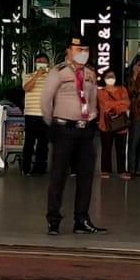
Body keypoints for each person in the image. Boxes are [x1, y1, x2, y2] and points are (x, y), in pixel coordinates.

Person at [40, 37, 105, 235]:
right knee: (58, 176)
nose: (82, 52)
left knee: (86, 176)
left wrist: (91, 117)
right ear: (68, 51)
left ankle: (82, 219)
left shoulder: (90, 73)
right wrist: (53, 123)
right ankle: (53, 220)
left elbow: (93, 98)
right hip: (63, 129)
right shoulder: (58, 72)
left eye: (85, 49)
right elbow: (45, 100)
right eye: (78, 49)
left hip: (84, 130)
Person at [21, 53, 52, 176]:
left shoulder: (51, 78)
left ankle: (40, 168)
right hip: (31, 114)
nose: (41, 64)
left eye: (43, 62)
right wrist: (36, 76)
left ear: (47, 64)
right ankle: (26, 168)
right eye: (38, 61)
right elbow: (26, 88)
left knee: (43, 143)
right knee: (29, 141)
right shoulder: (28, 76)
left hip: (45, 114)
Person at [97, 67, 131, 180]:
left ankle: (122, 170)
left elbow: (126, 104)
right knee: (106, 148)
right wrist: (120, 102)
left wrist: (114, 104)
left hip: (121, 125)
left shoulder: (123, 89)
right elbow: (105, 106)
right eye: (108, 77)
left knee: (121, 149)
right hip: (105, 125)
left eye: (112, 76)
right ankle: (105, 170)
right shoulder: (101, 92)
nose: (110, 79)